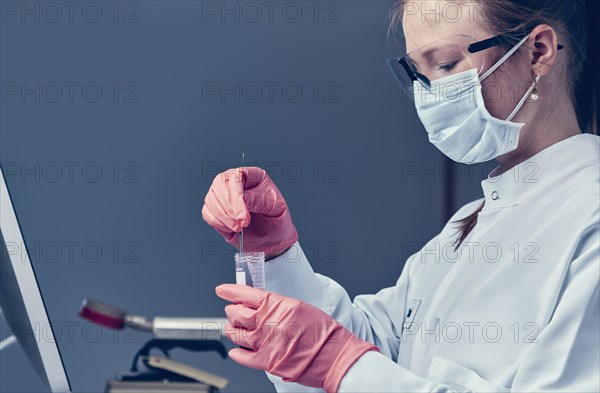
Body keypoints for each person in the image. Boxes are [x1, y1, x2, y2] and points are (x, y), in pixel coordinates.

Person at [202, 0, 599, 392]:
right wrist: (276, 255)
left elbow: (352, 365)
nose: (430, 96)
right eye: (418, 75)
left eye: (444, 64)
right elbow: (371, 349)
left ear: (538, 51)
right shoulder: (468, 226)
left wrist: (343, 365)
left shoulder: (589, 219)